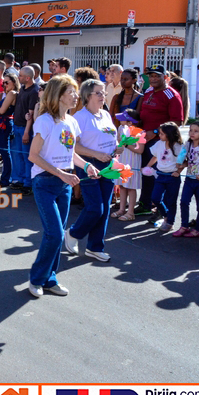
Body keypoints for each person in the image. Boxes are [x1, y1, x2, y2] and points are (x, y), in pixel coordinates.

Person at [28, 75, 98, 298]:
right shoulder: (45, 121)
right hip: (45, 183)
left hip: (65, 184)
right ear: (58, 95)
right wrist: (61, 174)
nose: (76, 96)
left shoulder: (72, 121)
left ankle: (50, 279)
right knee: (55, 234)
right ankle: (37, 279)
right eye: (72, 92)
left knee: (55, 236)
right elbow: (33, 156)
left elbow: (71, 153)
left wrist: (86, 165)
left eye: (76, 92)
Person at [64, 79, 119, 261]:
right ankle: (73, 233)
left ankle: (95, 247)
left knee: (104, 209)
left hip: (109, 166)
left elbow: (111, 138)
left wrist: (118, 146)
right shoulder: (79, 117)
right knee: (95, 208)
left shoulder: (105, 114)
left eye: (103, 93)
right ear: (87, 95)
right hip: (88, 166)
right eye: (99, 93)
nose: (103, 96)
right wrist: (95, 155)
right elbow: (74, 147)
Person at [133, 64, 184, 215]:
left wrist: (155, 132)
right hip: (144, 140)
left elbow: (177, 122)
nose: (153, 79)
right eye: (151, 76)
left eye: (157, 76)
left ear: (165, 77)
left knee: (157, 176)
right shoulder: (148, 93)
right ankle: (145, 204)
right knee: (146, 174)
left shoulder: (171, 94)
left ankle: (160, 210)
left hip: (160, 142)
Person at [143, 122, 184, 233]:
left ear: (170, 134)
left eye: (161, 133)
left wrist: (178, 171)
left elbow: (185, 162)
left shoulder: (179, 146)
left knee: (171, 200)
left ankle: (170, 222)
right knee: (155, 198)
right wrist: (147, 167)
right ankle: (165, 215)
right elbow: (155, 157)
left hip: (172, 177)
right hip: (160, 175)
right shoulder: (159, 144)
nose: (159, 135)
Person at [10, 67, 39, 195]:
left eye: (20, 75)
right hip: (17, 126)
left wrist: (27, 132)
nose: (18, 77)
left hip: (25, 128)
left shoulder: (34, 91)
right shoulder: (22, 88)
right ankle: (21, 179)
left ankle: (28, 183)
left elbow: (31, 114)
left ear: (28, 78)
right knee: (18, 155)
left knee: (27, 157)